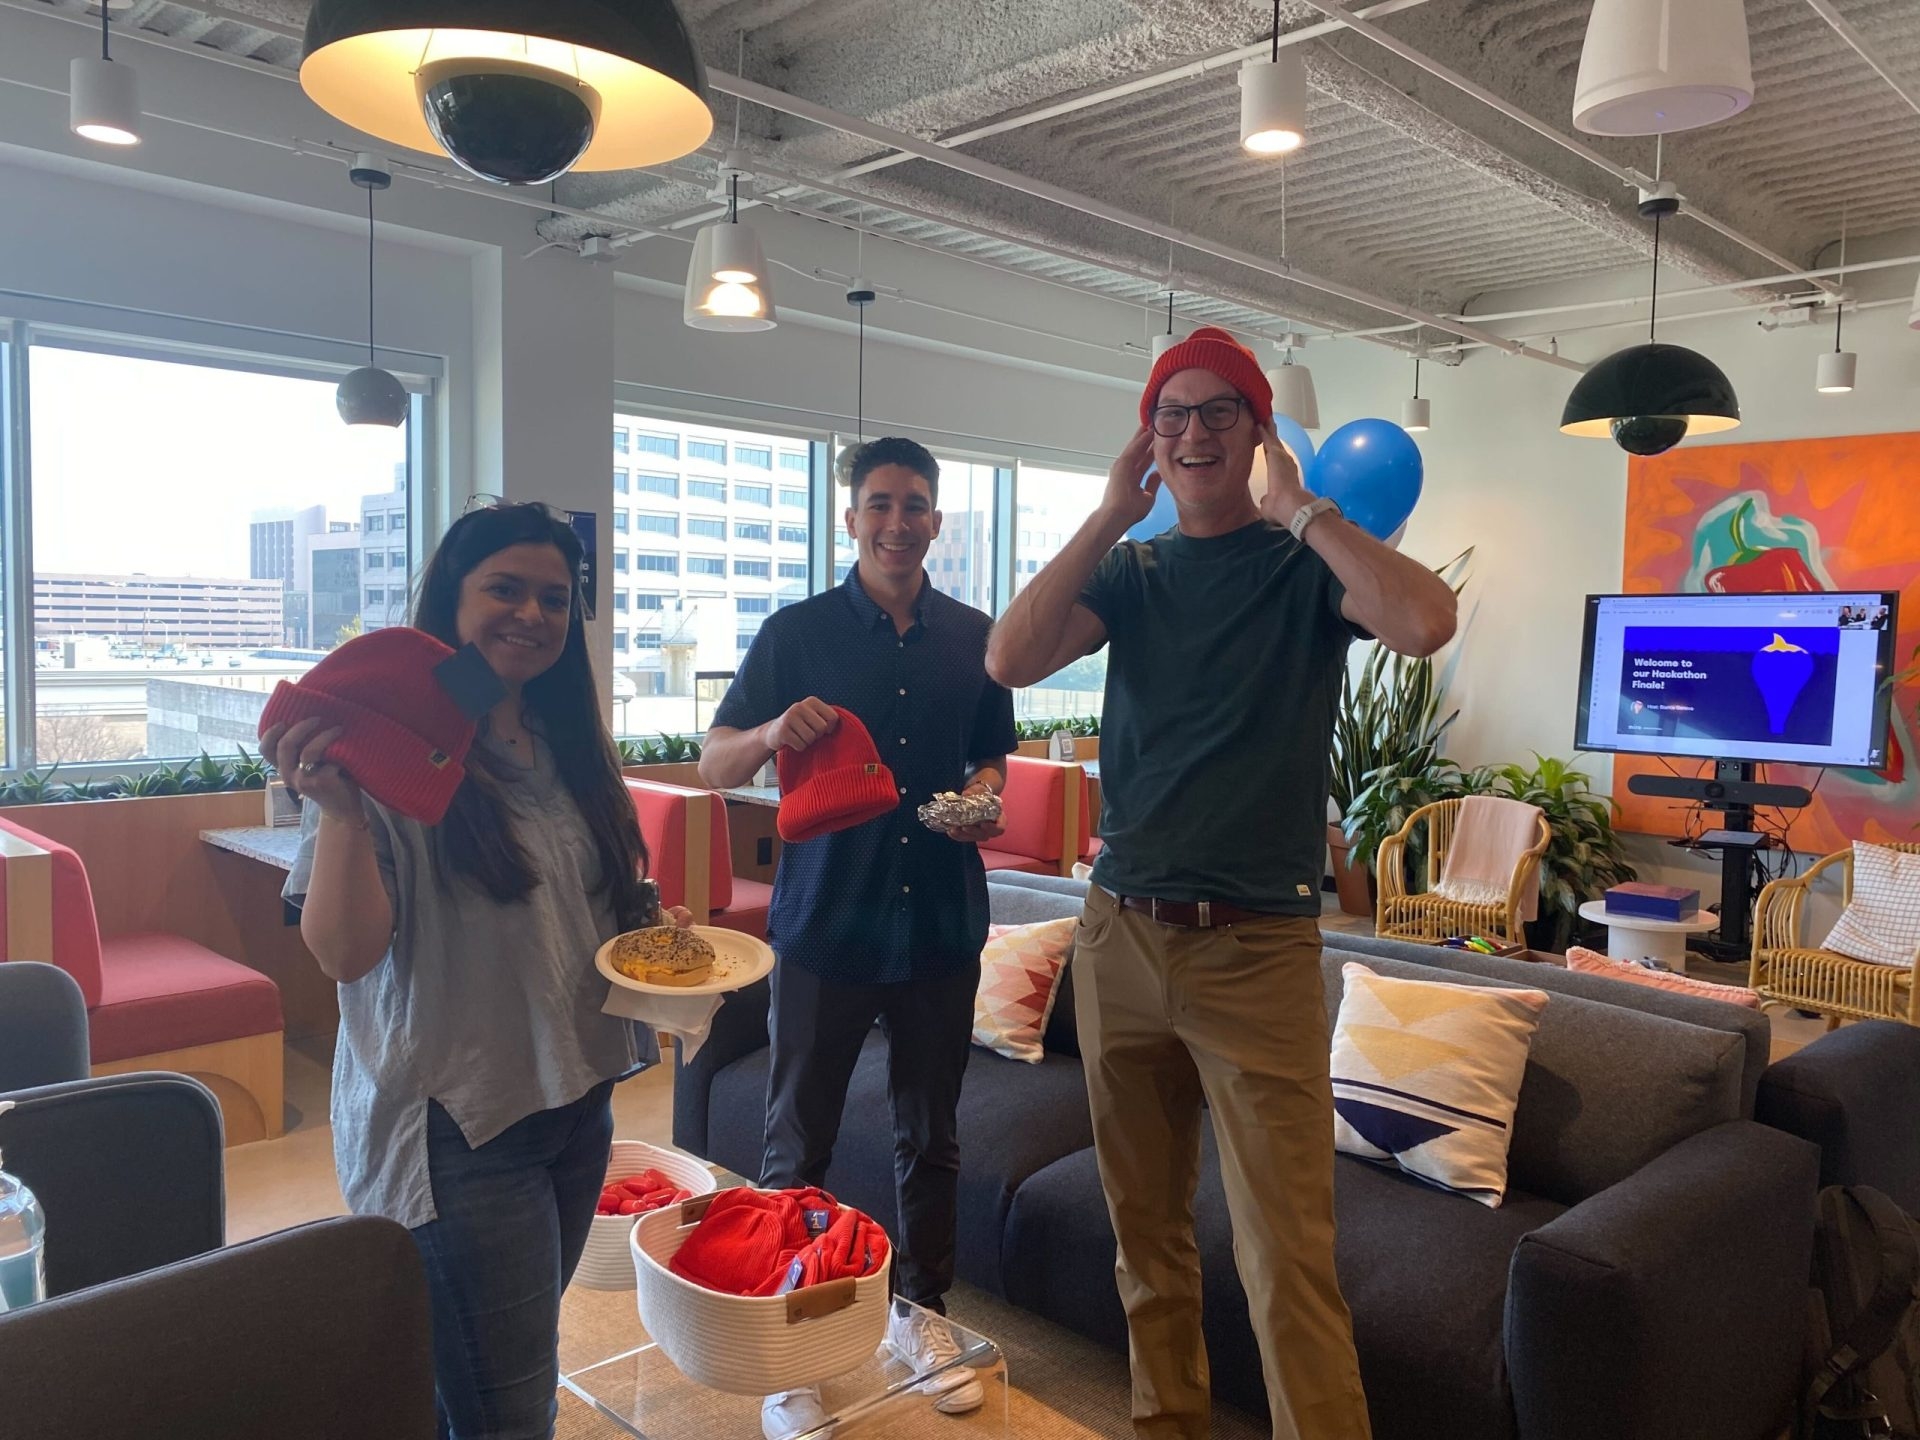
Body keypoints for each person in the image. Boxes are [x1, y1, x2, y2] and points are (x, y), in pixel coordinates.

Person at [988, 327, 1458, 1440]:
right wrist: (1109, 510)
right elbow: (1009, 659)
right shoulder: (1134, 573)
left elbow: (1428, 621)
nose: (1193, 433)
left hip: (1257, 950)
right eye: (1172, 415)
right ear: (1151, 439)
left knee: (1285, 1251)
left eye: (1217, 413)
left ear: (1257, 430)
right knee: (1143, 1233)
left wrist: (1304, 509)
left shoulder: (1303, 571)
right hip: (1121, 939)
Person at [265, 501, 690, 1440]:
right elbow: (342, 954)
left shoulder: (569, 742)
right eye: (504, 589)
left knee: (492, 1377)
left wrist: (661, 935)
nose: (531, 615)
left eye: (553, 597)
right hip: (460, 1130)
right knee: (509, 1415)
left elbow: (583, 910)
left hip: (576, 1103)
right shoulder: (381, 745)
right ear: (449, 605)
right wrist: (339, 813)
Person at [699, 436, 1017, 1440]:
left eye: (914, 505)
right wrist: (765, 738)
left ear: (936, 522)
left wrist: (980, 800)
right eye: (878, 503)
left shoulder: (976, 635)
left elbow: (994, 761)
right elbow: (715, 761)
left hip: (939, 924)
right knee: (799, 1140)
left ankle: (919, 1321)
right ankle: (792, 1342)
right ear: (850, 519)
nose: (896, 521)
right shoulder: (793, 633)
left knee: (933, 1135)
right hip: (827, 924)